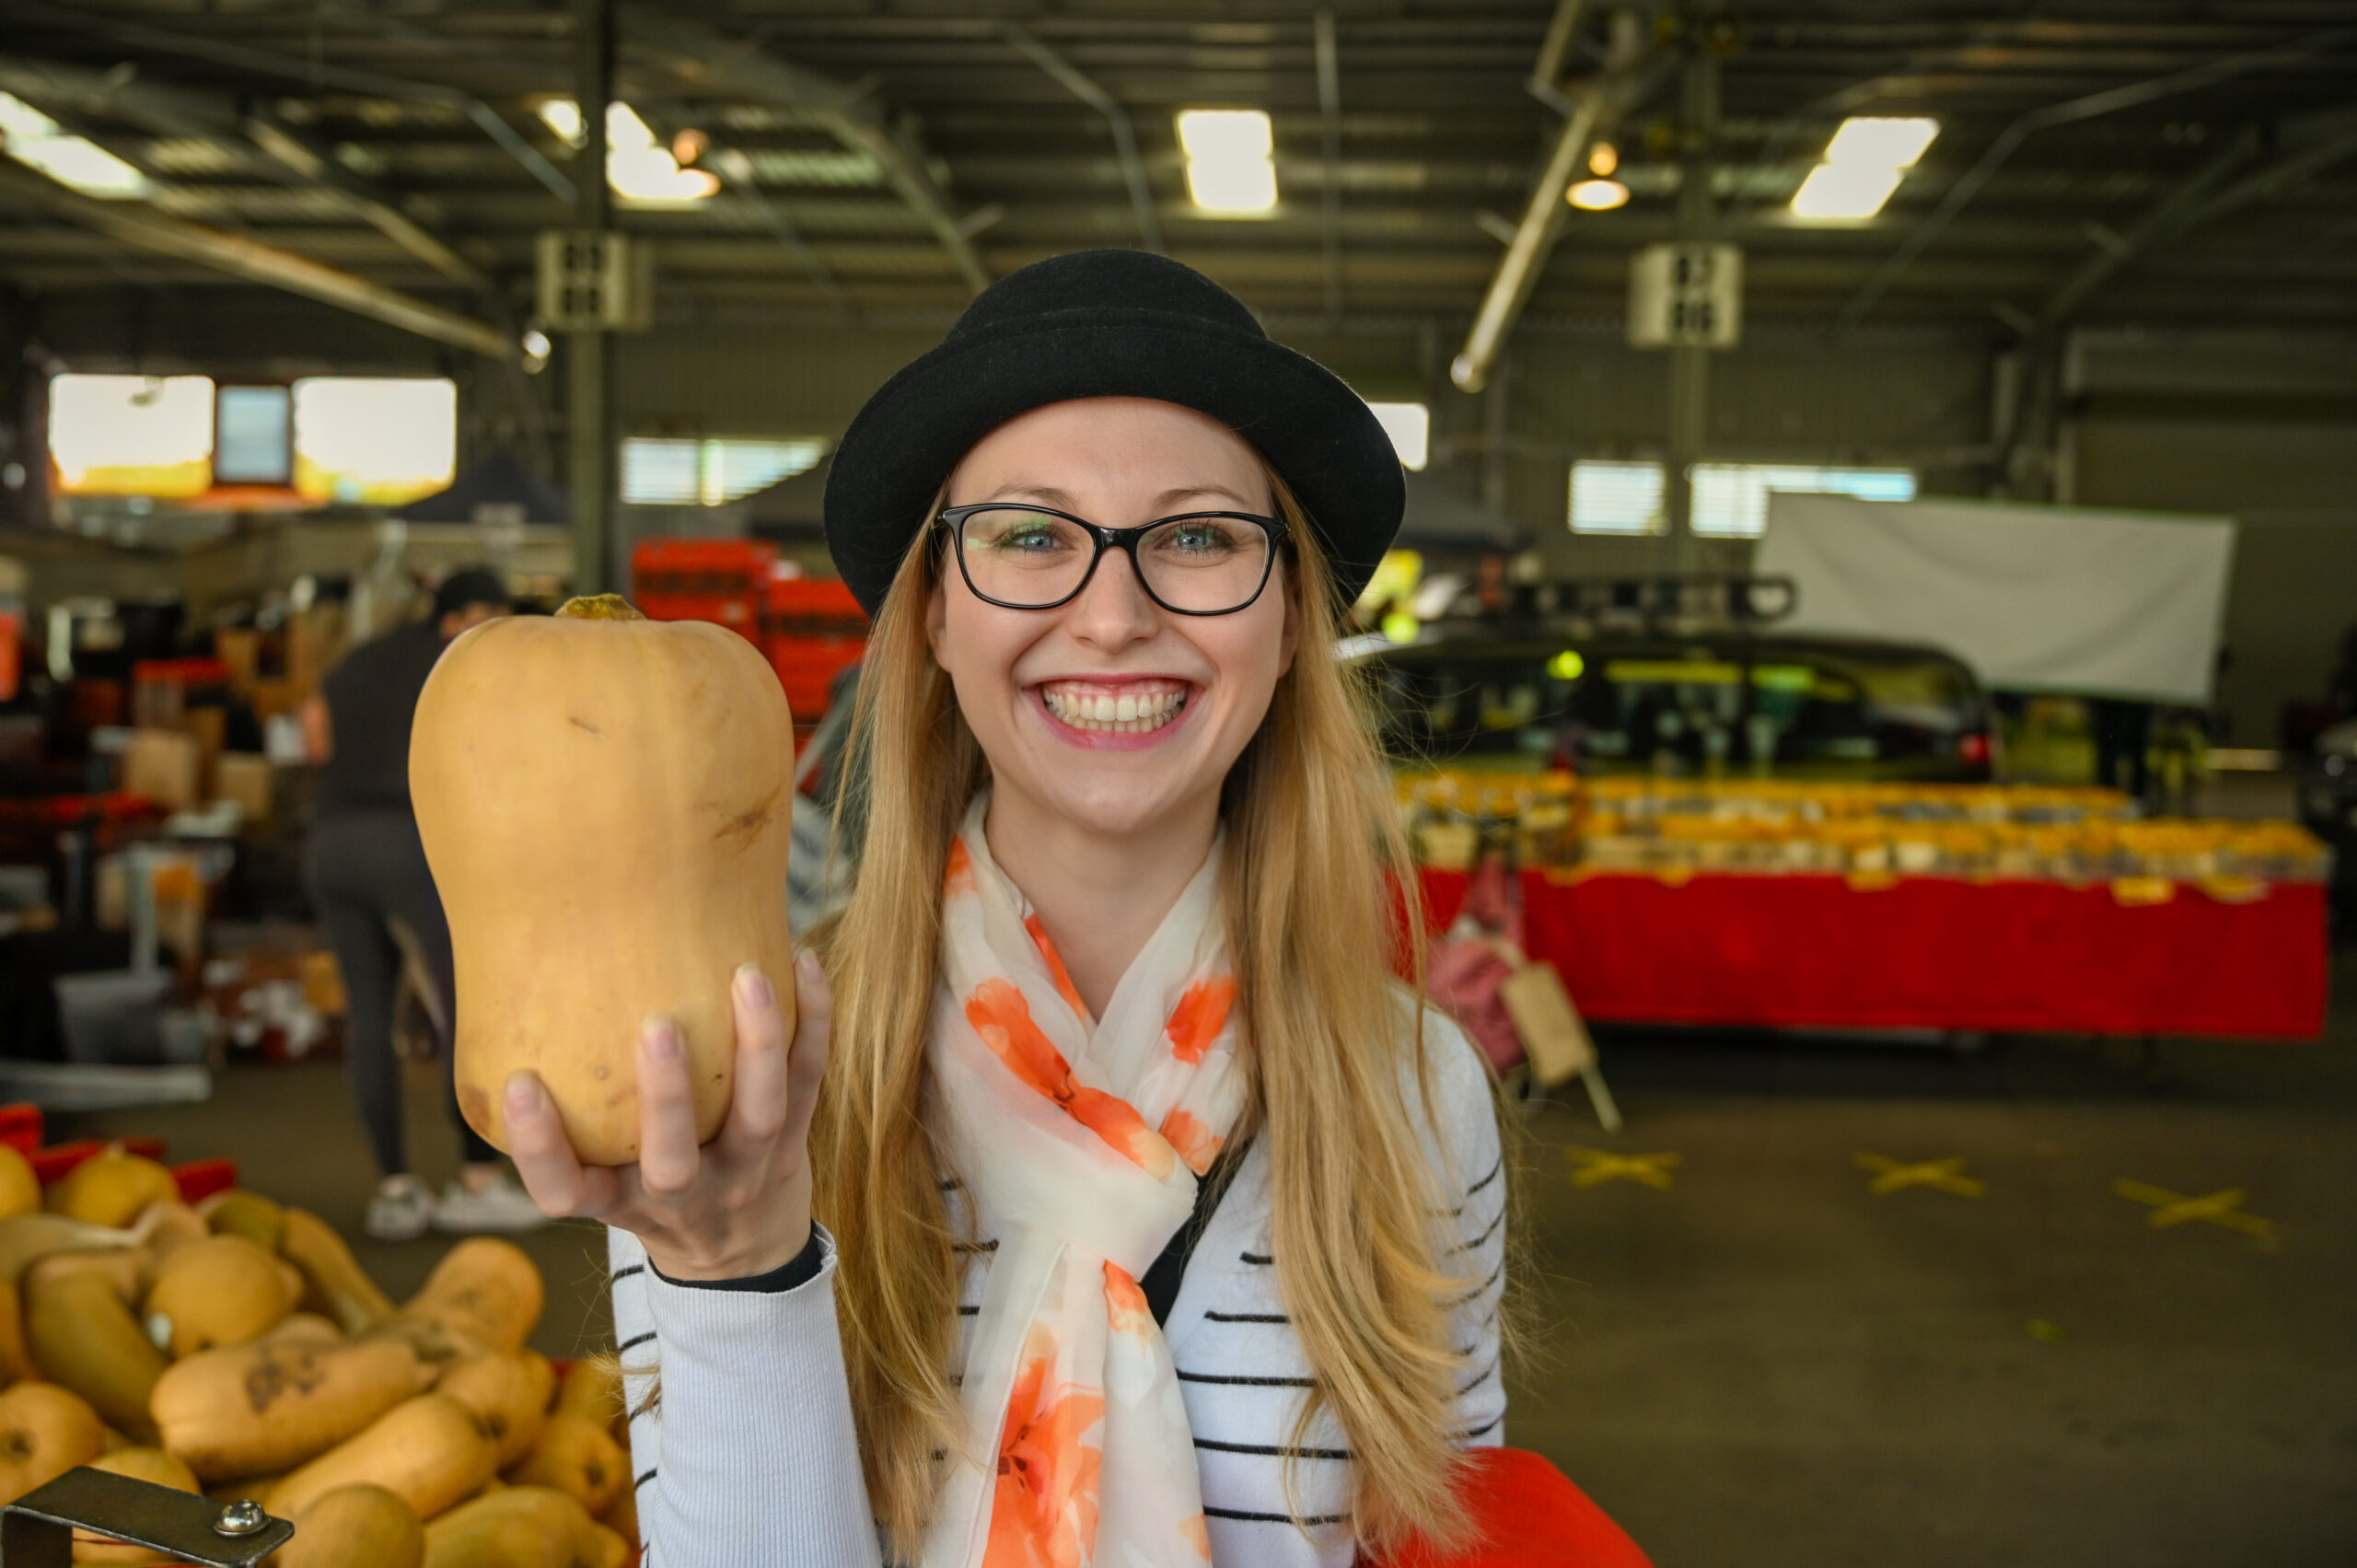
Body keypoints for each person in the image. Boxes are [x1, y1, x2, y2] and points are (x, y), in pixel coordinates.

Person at [505, 251, 1508, 1567]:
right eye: (1030, 535)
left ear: (1289, 613)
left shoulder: (1415, 1093)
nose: (1110, 615)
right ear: (933, 611)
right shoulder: (754, 1072)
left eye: (1199, 535)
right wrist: (735, 1265)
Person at [304, 567, 550, 1240]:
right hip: (410, 843)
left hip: (332, 843)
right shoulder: (461, 663)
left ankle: (397, 1191)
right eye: (490, 616)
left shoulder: (356, 661)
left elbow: (315, 737)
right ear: (462, 614)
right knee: (464, 1008)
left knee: (368, 1015)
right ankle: (474, 1181)